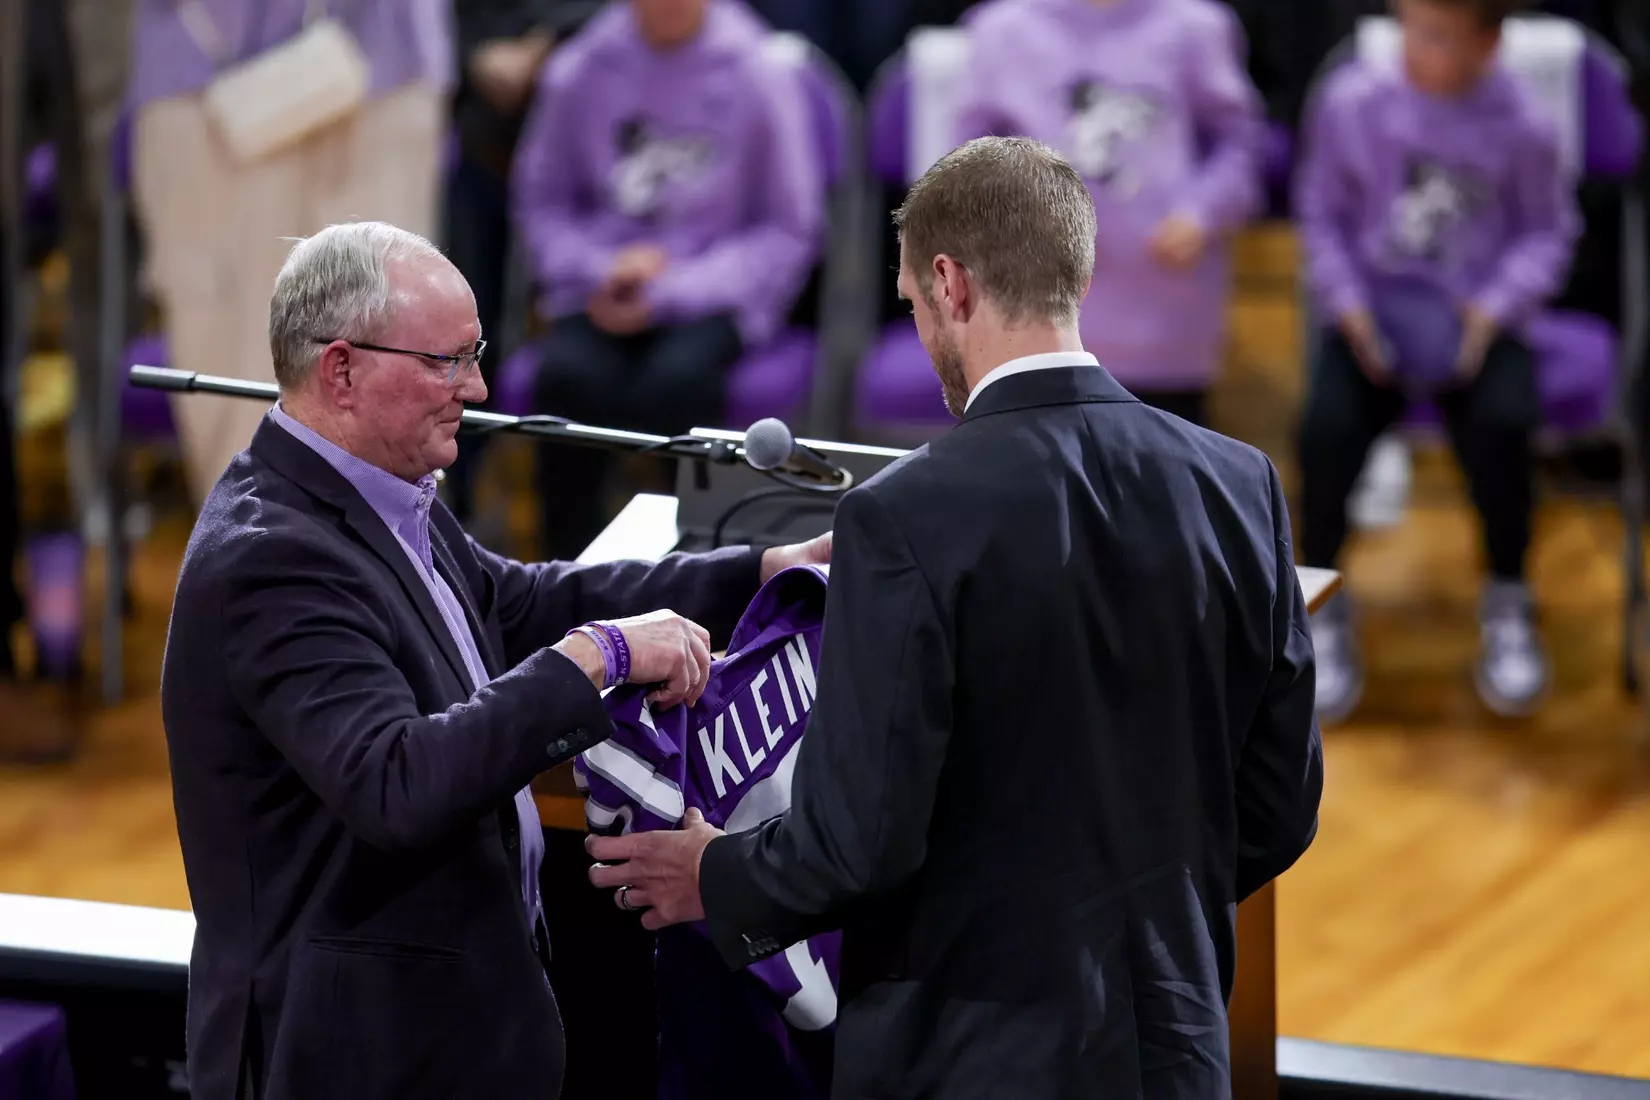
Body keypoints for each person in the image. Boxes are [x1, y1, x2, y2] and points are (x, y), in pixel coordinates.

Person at [587, 137, 1324, 1099]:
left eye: (910, 302)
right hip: (1175, 1043)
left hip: (967, 1053)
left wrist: (714, 875)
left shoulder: (903, 518)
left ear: (950, 283)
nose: (922, 326)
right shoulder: (1238, 484)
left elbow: (861, 841)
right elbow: (1277, 807)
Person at [158, 221, 830, 1100]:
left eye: (473, 355)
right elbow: (397, 782)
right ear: (342, 370)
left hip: (443, 1025)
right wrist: (598, 657)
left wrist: (760, 571)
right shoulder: (272, 559)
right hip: (351, 1057)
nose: (474, 387)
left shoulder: (383, 486)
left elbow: (513, 605)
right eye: (445, 362)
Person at [1294, 0, 1578, 722]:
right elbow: (1321, 212)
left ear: (1490, 43)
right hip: (1370, 323)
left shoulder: (1525, 125)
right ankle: (1317, 605)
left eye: (1441, 37)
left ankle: (1509, 597)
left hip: (1476, 322)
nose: (1417, 47)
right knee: (1323, 433)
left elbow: (1547, 235)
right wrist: (1351, 309)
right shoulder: (1352, 101)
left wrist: (1490, 311)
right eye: (1409, 27)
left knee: (1506, 426)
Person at [512, 0, 825, 559]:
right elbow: (543, 205)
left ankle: (693, 579)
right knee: (565, 381)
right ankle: (562, 579)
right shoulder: (582, 67)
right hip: (600, 288)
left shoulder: (757, 70)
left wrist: (672, 289)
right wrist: (599, 268)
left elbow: (788, 229)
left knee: (676, 387)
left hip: (712, 294)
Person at [128, 0, 455, 506]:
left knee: (383, 339)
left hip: (371, 65)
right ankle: (254, 570)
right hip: (203, 73)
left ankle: (384, 577)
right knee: (228, 372)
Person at [955, 0, 1267, 428]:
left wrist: (1202, 213)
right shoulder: (1001, 29)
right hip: (1035, 312)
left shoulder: (1196, 26)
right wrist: (1012, 227)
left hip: (1163, 313)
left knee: (1158, 476)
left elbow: (1240, 144)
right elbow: (966, 163)